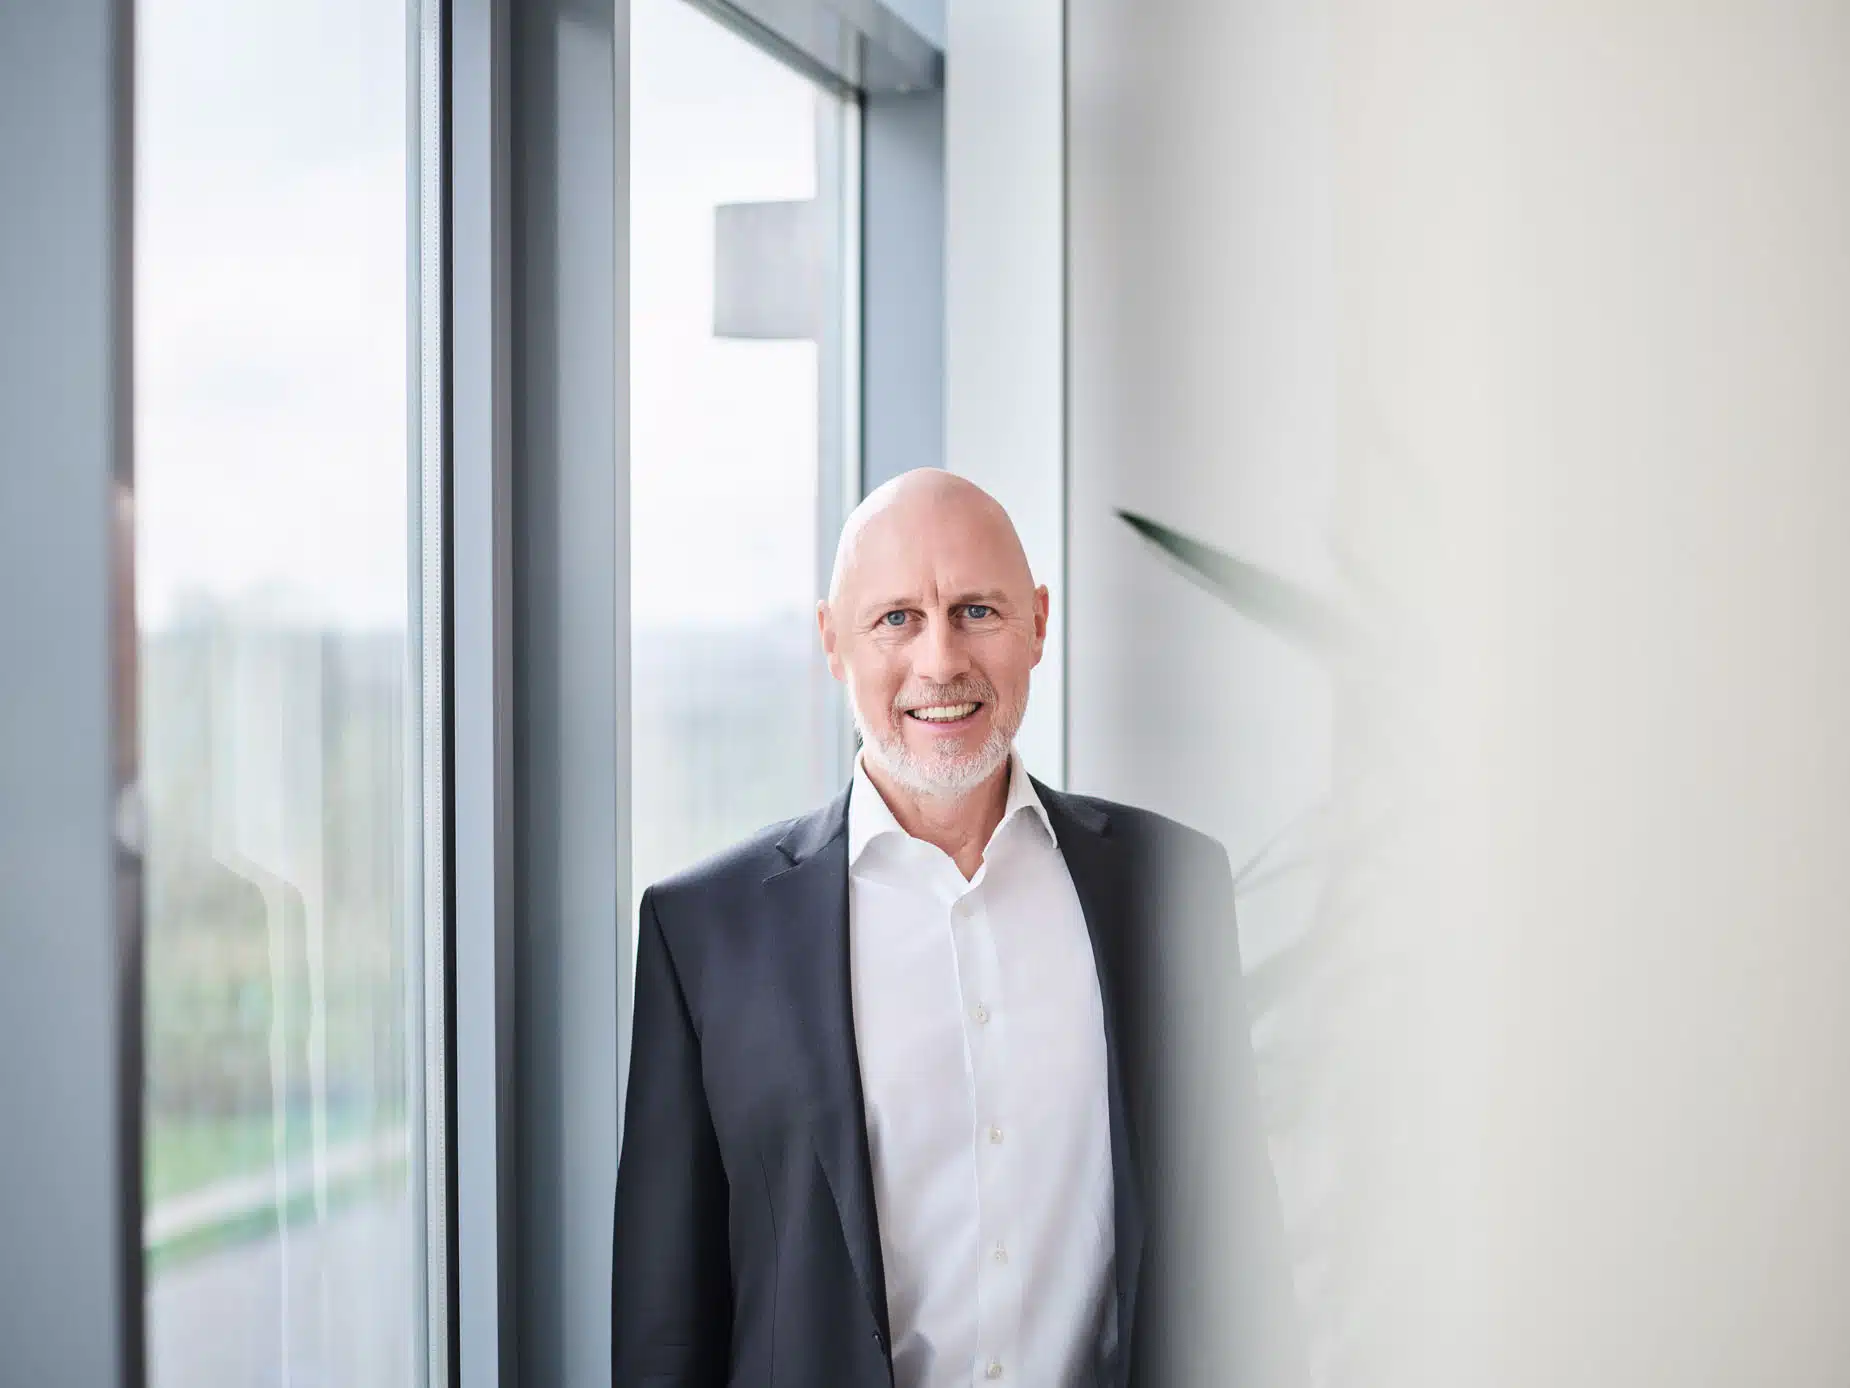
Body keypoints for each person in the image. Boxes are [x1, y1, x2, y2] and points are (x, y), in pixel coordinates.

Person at [612, 469, 1300, 1387]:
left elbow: (1237, 1263)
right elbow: (665, 1333)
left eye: (977, 611)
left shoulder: (1169, 887)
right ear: (832, 641)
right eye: (895, 618)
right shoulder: (703, 934)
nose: (940, 661)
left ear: (1038, 625)